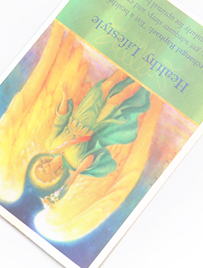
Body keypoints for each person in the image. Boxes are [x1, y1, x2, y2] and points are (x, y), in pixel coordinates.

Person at [25, 74, 152, 206]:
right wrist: (75, 175)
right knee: (119, 98)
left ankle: (134, 70)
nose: (44, 167)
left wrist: (64, 97)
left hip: (81, 113)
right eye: (44, 171)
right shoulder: (75, 163)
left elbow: (60, 120)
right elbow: (91, 157)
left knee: (107, 85)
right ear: (53, 176)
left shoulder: (51, 145)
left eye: (41, 167)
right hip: (97, 124)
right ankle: (145, 79)